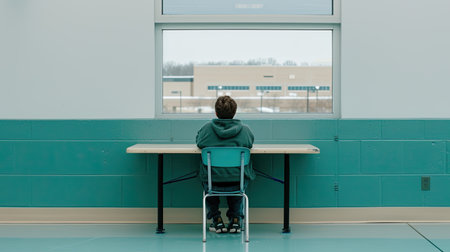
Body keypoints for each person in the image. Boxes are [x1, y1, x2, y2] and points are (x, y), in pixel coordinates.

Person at [196, 95, 255, 234]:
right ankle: (235, 220)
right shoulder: (245, 130)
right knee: (237, 180)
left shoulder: (207, 129)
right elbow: (250, 143)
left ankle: (216, 220)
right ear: (234, 113)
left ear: (216, 112)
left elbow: (199, 142)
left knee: (208, 178)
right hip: (237, 179)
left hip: (213, 180)